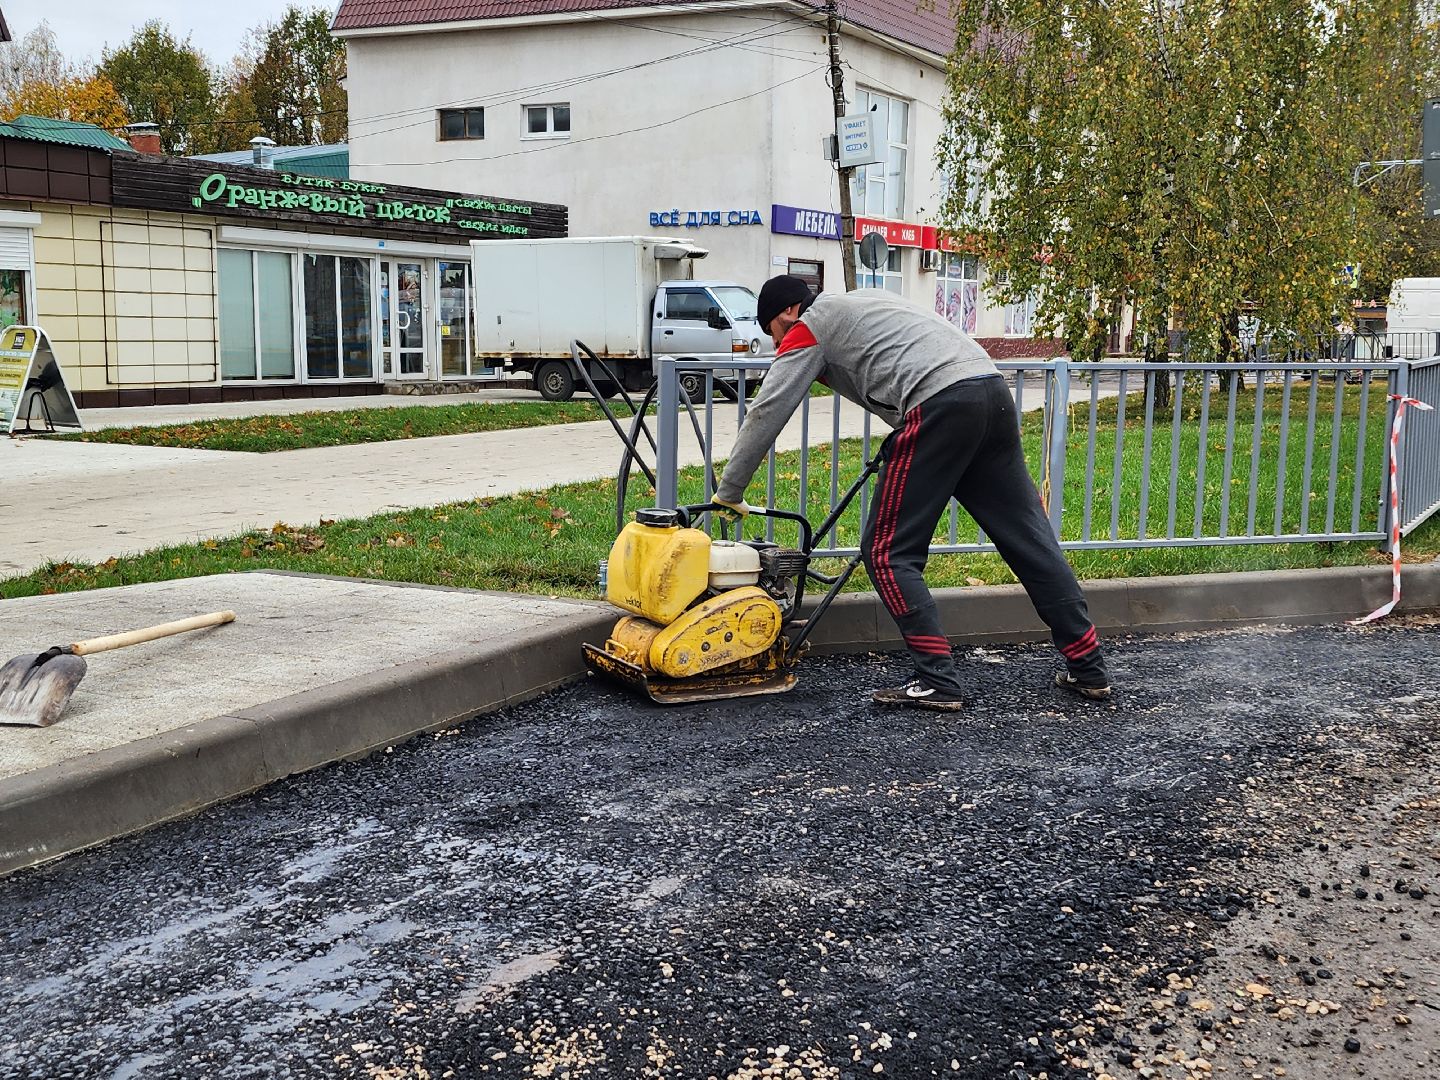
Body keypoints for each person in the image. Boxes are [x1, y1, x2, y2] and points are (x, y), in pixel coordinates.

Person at [711, 275, 1112, 712]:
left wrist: (729, 491)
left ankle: (937, 678)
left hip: (941, 405)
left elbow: (769, 407)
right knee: (1029, 539)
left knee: (887, 552)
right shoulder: (865, 300)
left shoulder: (809, 325)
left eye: (772, 332)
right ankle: (1088, 666)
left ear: (788, 312)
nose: (776, 345)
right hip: (990, 391)